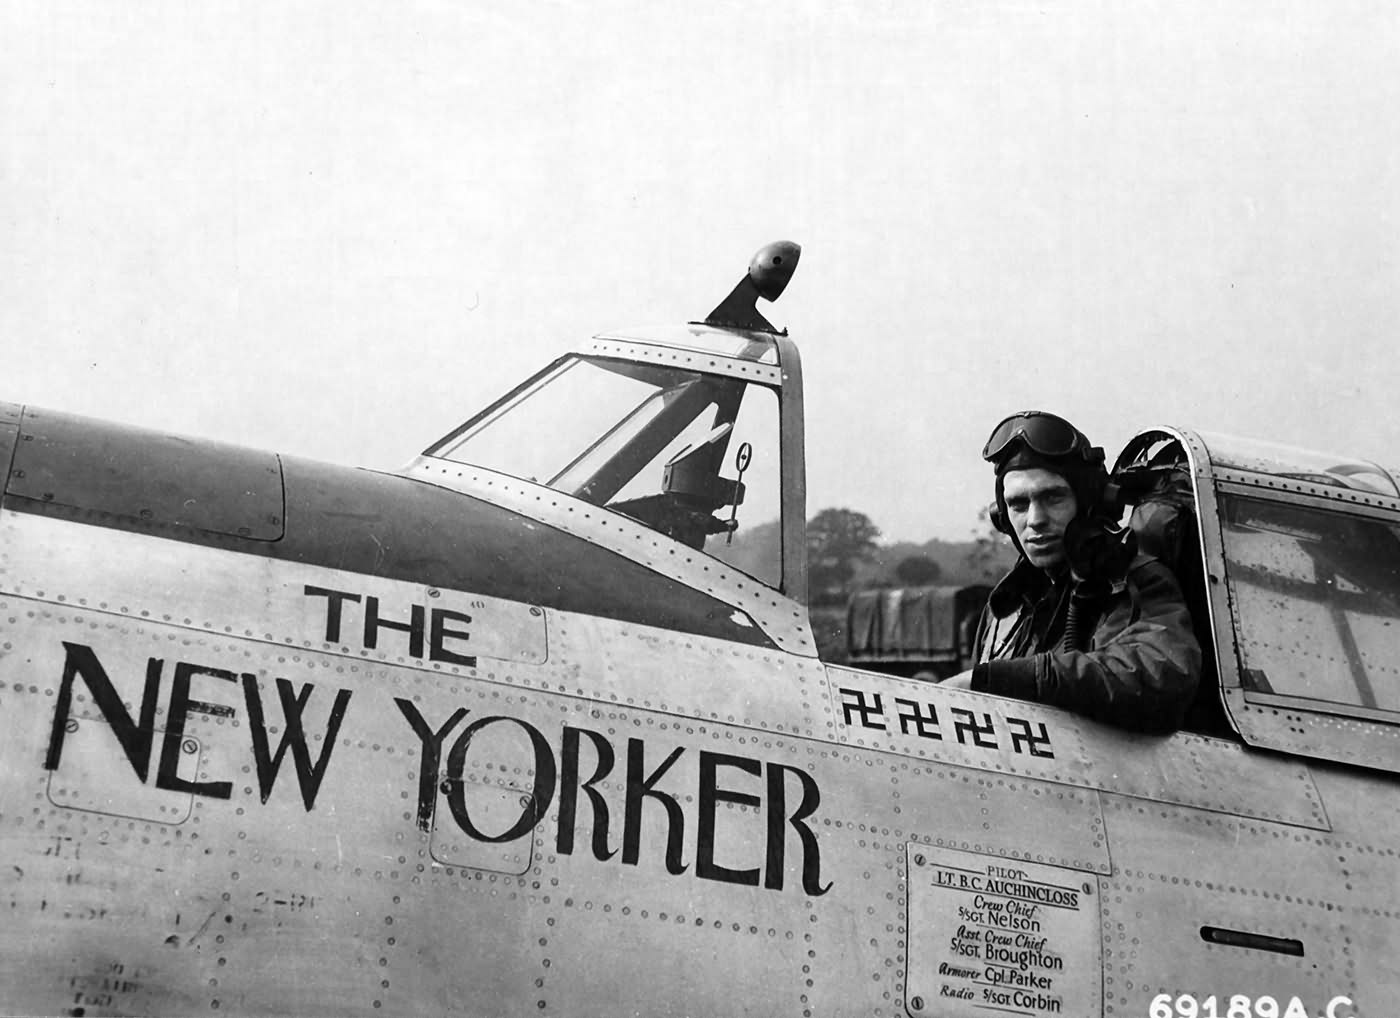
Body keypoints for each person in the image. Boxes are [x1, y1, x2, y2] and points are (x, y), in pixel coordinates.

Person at [941, 411, 1200, 733]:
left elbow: (1159, 671)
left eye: (1052, 497)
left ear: (1088, 501)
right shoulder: (1006, 609)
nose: (1035, 519)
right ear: (1003, 517)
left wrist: (998, 679)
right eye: (1019, 504)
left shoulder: (1135, 581)